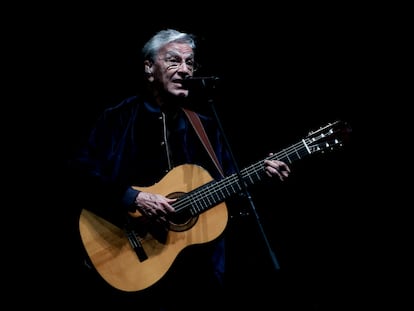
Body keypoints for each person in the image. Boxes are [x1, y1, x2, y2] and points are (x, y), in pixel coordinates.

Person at [68, 28, 291, 310]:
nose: (185, 70)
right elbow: (77, 175)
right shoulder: (117, 119)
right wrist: (133, 198)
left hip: (199, 275)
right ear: (149, 67)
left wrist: (263, 175)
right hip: (132, 263)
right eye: (174, 60)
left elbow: (232, 189)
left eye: (190, 62)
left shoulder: (205, 126)